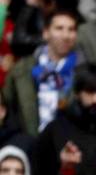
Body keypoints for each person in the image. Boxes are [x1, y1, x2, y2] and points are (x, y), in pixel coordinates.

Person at [3, 8, 79, 136]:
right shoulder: (22, 68)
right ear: (46, 33)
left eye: (71, 30)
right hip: (27, 142)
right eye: (59, 28)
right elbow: (7, 104)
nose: (66, 36)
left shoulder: (83, 70)